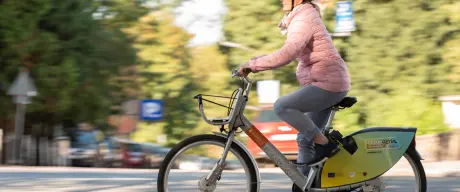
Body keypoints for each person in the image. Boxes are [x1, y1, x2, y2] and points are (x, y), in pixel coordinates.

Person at [238, 0, 351, 176]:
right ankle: (305, 185)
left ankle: (326, 146)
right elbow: (287, 51)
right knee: (305, 140)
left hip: (328, 83)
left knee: (282, 106)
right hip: (328, 81)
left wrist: (254, 65)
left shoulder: (304, 18)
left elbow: (288, 53)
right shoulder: (301, 16)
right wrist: (255, 61)